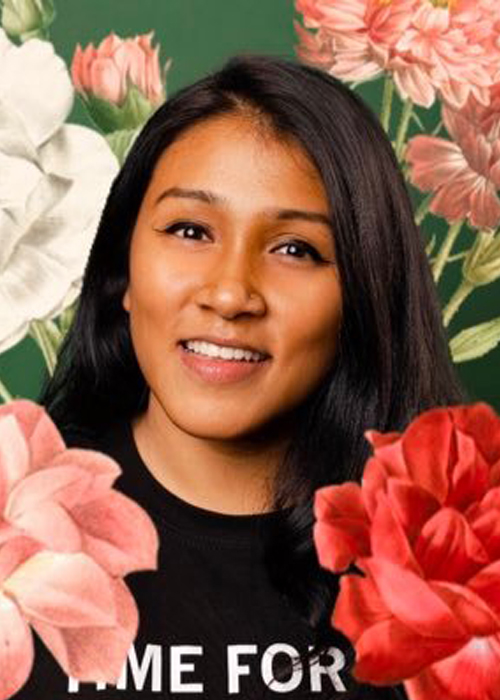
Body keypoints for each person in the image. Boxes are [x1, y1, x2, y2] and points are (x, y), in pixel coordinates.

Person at [20, 55, 465, 699]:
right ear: (122, 271)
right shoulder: (18, 529)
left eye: (295, 249)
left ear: (363, 296)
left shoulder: (459, 572)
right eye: (191, 230)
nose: (230, 294)